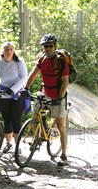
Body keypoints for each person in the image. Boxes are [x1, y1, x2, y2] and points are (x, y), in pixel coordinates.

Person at [24, 34, 70, 166]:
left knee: (60, 124)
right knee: (34, 117)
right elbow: (33, 74)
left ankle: (64, 155)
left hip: (58, 95)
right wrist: (25, 88)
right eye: (45, 46)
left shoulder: (61, 61)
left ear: (55, 47)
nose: (48, 48)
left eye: (50, 46)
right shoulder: (42, 60)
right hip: (44, 93)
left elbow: (65, 81)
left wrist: (60, 97)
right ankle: (42, 132)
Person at [0, 41, 28, 153]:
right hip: (3, 93)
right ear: (3, 51)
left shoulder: (19, 62)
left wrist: (13, 89)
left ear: (14, 51)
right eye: (6, 49)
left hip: (17, 93)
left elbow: (24, 77)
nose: (9, 52)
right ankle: (8, 143)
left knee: (16, 120)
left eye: (11, 49)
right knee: (7, 120)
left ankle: (17, 146)